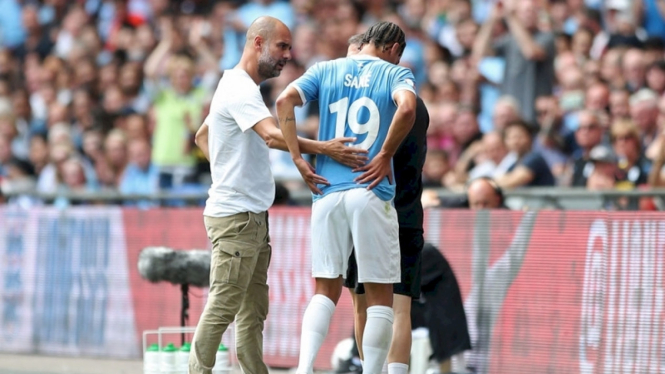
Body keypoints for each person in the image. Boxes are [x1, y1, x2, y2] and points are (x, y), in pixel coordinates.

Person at [189, 16, 367, 374]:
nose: (288, 54)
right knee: (225, 305)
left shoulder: (234, 86)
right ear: (257, 43)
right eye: (282, 46)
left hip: (248, 217)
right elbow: (271, 136)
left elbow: (202, 137)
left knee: (252, 312)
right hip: (237, 219)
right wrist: (324, 149)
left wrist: (229, 171)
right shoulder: (240, 88)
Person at [276, 21, 417, 374]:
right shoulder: (395, 74)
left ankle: (304, 367)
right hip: (369, 190)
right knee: (380, 295)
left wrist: (297, 157)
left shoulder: (326, 68)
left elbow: (283, 100)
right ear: (394, 50)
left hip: (326, 190)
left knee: (325, 289)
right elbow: (408, 108)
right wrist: (384, 154)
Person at [337, 32, 429, 374]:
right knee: (400, 307)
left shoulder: (363, 102)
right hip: (407, 208)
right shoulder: (416, 103)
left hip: (368, 205)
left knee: (363, 306)